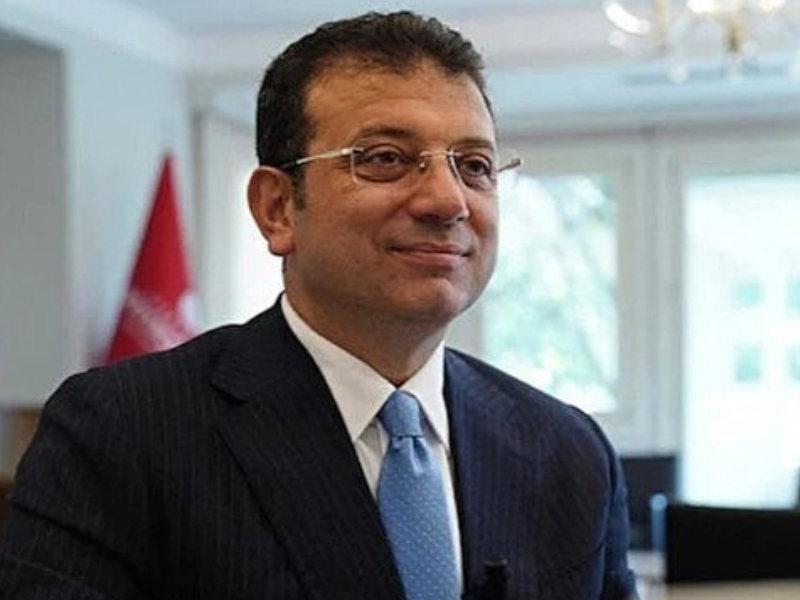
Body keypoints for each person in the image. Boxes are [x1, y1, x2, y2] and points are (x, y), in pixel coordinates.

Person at [0, 11, 637, 600]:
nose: (448, 201)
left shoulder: (568, 452)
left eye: (474, 165)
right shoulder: (121, 430)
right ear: (278, 208)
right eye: (386, 159)